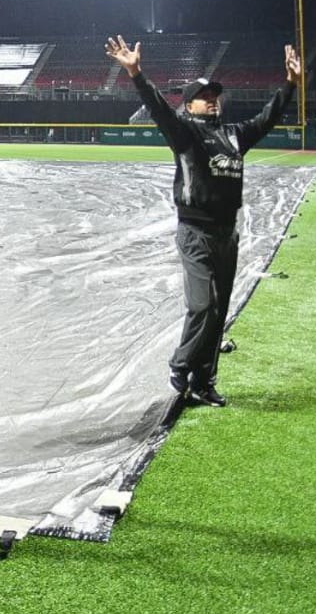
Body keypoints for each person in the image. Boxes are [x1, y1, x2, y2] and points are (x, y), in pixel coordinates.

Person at [105, 35, 301, 408]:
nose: (213, 100)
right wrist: (136, 73)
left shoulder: (233, 135)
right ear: (189, 104)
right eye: (204, 95)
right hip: (196, 232)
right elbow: (159, 108)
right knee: (204, 306)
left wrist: (290, 84)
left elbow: (267, 118)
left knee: (220, 310)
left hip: (227, 233)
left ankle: (203, 381)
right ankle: (181, 364)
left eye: (215, 95)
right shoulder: (185, 132)